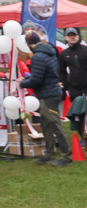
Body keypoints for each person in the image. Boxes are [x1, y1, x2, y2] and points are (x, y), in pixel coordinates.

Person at [19, 31, 72, 166]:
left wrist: (22, 82)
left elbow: (37, 80)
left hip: (48, 95)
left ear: (29, 44)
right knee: (46, 124)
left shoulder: (38, 57)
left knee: (54, 124)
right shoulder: (50, 52)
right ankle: (49, 153)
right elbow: (45, 75)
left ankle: (66, 156)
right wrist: (27, 78)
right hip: (50, 92)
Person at [57, 27, 87, 145]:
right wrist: (66, 86)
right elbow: (61, 72)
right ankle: (83, 137)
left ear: (78, 36)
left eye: (74, 35)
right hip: (74, 89)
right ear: (65, 37)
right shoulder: (64, 54)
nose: (72, 37)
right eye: (69, 35)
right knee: (77, 114)